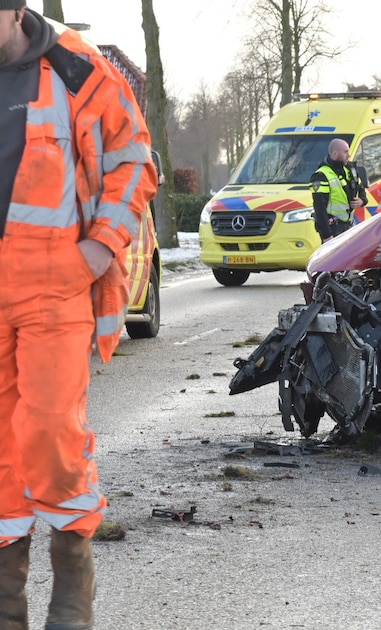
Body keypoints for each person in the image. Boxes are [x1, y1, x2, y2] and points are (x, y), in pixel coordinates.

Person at [0, 3, 158, 628]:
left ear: (13, 11)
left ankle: (72, 587)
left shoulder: (74, 66)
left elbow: (134, 156)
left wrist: (96, 250)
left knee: (48, 427)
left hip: (53, 282)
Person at [310, 138, 366, 241]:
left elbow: (361, 189)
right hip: (333, 228)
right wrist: (327, 235)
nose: (349, 155)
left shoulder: (349, 170)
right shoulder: (321, 175)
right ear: (335, 154)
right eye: (345, 152)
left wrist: (362, 201)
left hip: (349, 226)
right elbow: (319, 208)